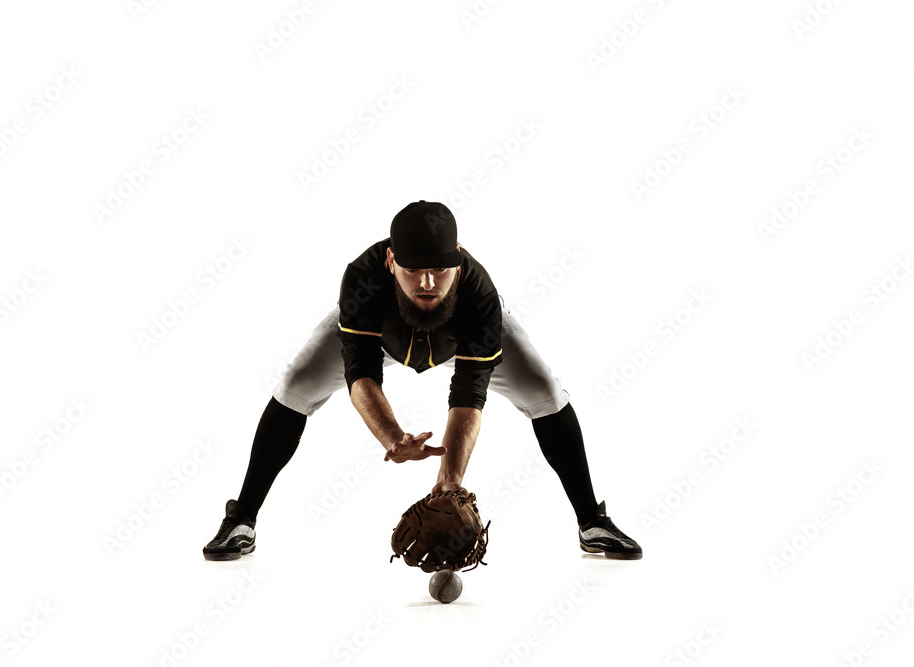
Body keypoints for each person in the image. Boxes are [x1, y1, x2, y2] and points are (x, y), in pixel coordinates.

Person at [203, 201, 642, 561]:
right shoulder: (362, 279)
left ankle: (591, 523)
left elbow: (469, 392)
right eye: (414, 269)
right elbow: (360, 372)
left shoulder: (478, 294)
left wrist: (449, 479)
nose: (429, 282)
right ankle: (242, 517)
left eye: (440, 268)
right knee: (296, 384)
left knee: (546, 392)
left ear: (458, 256)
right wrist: (393, 438)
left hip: (461, 336)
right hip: (380, 338)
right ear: (392, 260)